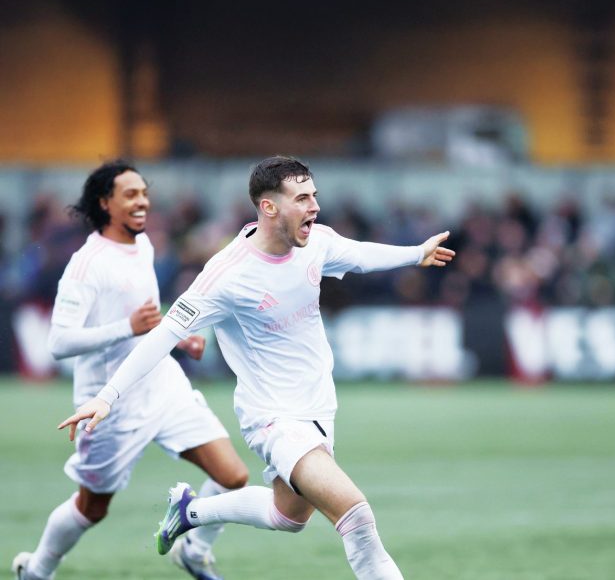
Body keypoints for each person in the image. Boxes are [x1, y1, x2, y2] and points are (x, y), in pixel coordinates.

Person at [58, 155, 456, 579]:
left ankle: (191, 512)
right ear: (269, 207)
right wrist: (107, 396)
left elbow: (358, 255)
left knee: (289, 516)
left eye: (314, 195)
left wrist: (416, 253)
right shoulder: (226, 275)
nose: (314, 206)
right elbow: (164, 335)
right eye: (302, 198)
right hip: (273, 418)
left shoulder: (316, 242)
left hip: (319, 409)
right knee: (356, 516)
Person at [13, 161, 250, 580]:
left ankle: (194, 551)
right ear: (105, 203)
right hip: (108, 405)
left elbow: (145, 318)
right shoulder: (87, 265)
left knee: (233, 476)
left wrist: (177, 338)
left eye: (144, 192)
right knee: (92, 508)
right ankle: (37, 570)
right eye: (131, 194)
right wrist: (128, 328)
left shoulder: (143, 246)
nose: (142, 201)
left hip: (161, 385)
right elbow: (58, 342)